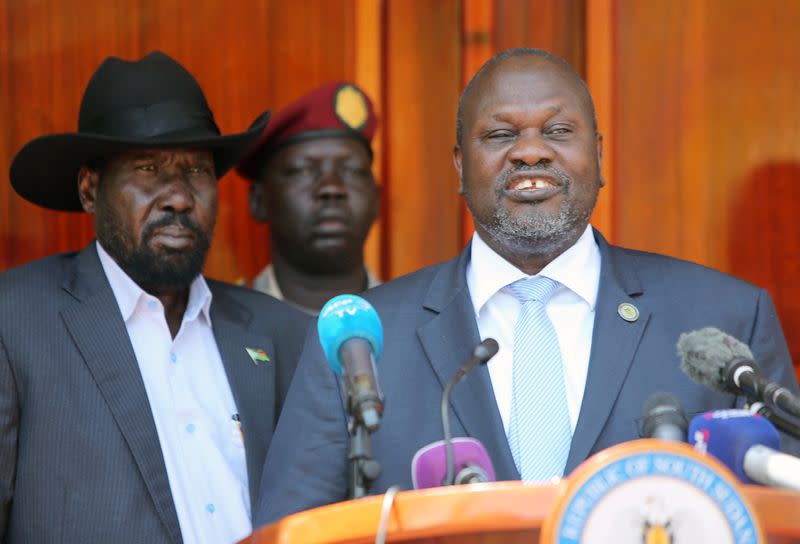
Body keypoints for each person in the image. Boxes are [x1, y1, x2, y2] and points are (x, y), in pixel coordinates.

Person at [253, 47, 800, 525]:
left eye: (559, 132)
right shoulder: (361, 342)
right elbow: (296, 526)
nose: (531, 152)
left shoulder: (725, 319)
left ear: (600, 156)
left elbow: (784, 514)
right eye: (500, 135)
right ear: (461, 167)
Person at [0, 52, 310, 544]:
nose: (179, 197)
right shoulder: (15, 322)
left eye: (197, 171)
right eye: (148, 168)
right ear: (89, 189)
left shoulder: (280, 333)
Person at [236, 82, 381, 314]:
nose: (331, 188)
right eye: (303, 171)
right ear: (258, 200)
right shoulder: (221, 329)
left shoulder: (416, 325)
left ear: (377, 200)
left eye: (352, 170)